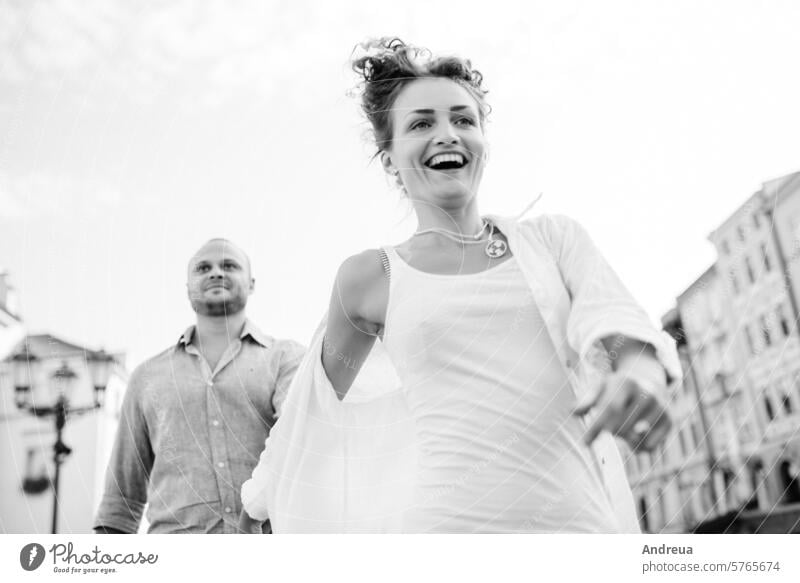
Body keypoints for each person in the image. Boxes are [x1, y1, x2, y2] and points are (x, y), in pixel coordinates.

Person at [241, 38, 681, 533]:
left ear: (483, 143)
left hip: (579, 529)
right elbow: (312, 410)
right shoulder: (371, 278)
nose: (447, 134)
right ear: (389, 159)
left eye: (463, 119)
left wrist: (640, 373)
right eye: (421, 123)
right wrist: (261, 501)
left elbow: (613, 323)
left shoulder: (552, 242)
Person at [94, 238, 304, 533]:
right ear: (188, 289)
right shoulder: (146, 377)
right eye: (203, 268)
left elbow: (300, 439)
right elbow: (120, 503)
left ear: (252, 283)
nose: (216, 273)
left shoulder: (287, 359)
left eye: (229, 266)